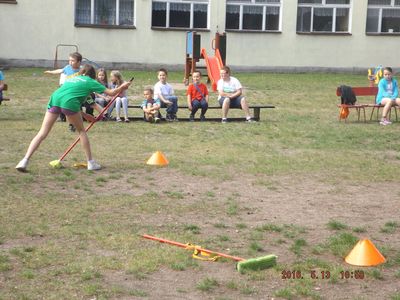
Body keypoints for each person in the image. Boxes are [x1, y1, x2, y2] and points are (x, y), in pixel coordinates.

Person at [15, 64, 131, 172]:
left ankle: (24, 161)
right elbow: (111, 92)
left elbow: (71, 100)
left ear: (82, 72)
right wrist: (123, 86)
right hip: (69, 102)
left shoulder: (72, 78)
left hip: (55, 98)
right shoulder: (90, 81)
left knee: (42, 132)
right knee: (81, 131)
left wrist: (85, 115)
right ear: (93, 75)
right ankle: (91, 163)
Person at [45, 52, 83, 128]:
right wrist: (51, 72)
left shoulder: (82, 70)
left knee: (75, 110)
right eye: (69, 60)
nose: (70, 62)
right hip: (67, 91)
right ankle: (68, 122)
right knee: (65, 106)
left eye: (72, 61)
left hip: (76, 93)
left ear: (79, 62)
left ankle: (75, 123)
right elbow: (60, 71)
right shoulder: (67, 68)